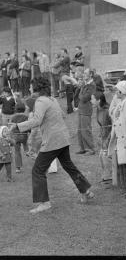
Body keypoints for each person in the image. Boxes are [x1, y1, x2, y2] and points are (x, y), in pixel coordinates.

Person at [10, 77, 94, 214]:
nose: (30, 89)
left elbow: (36, 120)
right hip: (63, 138)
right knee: (69, 166)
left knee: (37, 170)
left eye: (32, 87)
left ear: (37, 89)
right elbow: (62, 115)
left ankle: (44, 203)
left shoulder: (41, 101)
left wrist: (17, 126)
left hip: (53, 141)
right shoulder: (52, 99)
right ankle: (85, 190)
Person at [91, 92, 112, 183]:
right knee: (101, 156)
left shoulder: (107, 110)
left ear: (98, 100)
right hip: (104, 136)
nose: (91, 101)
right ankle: (107, 176)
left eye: (92, 99)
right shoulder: (98, 109)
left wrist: (108, 139)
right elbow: (101, 124)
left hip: (111, 136)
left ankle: (110, 176)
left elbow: (113, 125)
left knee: (105, 156)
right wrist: (101, 136)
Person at [76, 69, 96, 155]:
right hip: (81, 109)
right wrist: (81, 93)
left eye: (85, 73)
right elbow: (78, 95)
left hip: (86, 110)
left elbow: (84, 98)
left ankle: (91, 149)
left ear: (90, 75)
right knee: (80, 130)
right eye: (83, 73)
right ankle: (83, 148)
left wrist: (80, 94)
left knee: (86, 130)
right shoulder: (86, 84)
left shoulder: (91, 85)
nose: (83, 74)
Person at [10, 102, 29, 173]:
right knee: (25, 143)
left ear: (15, 109)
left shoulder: (13, 117)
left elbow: (11, 127)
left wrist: (11, 135)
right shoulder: (26, 117)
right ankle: (27, 151)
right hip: (24, 134)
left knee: (17, 152)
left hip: (15, 136)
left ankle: (18, 168)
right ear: (24, 109)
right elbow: (28, 126)